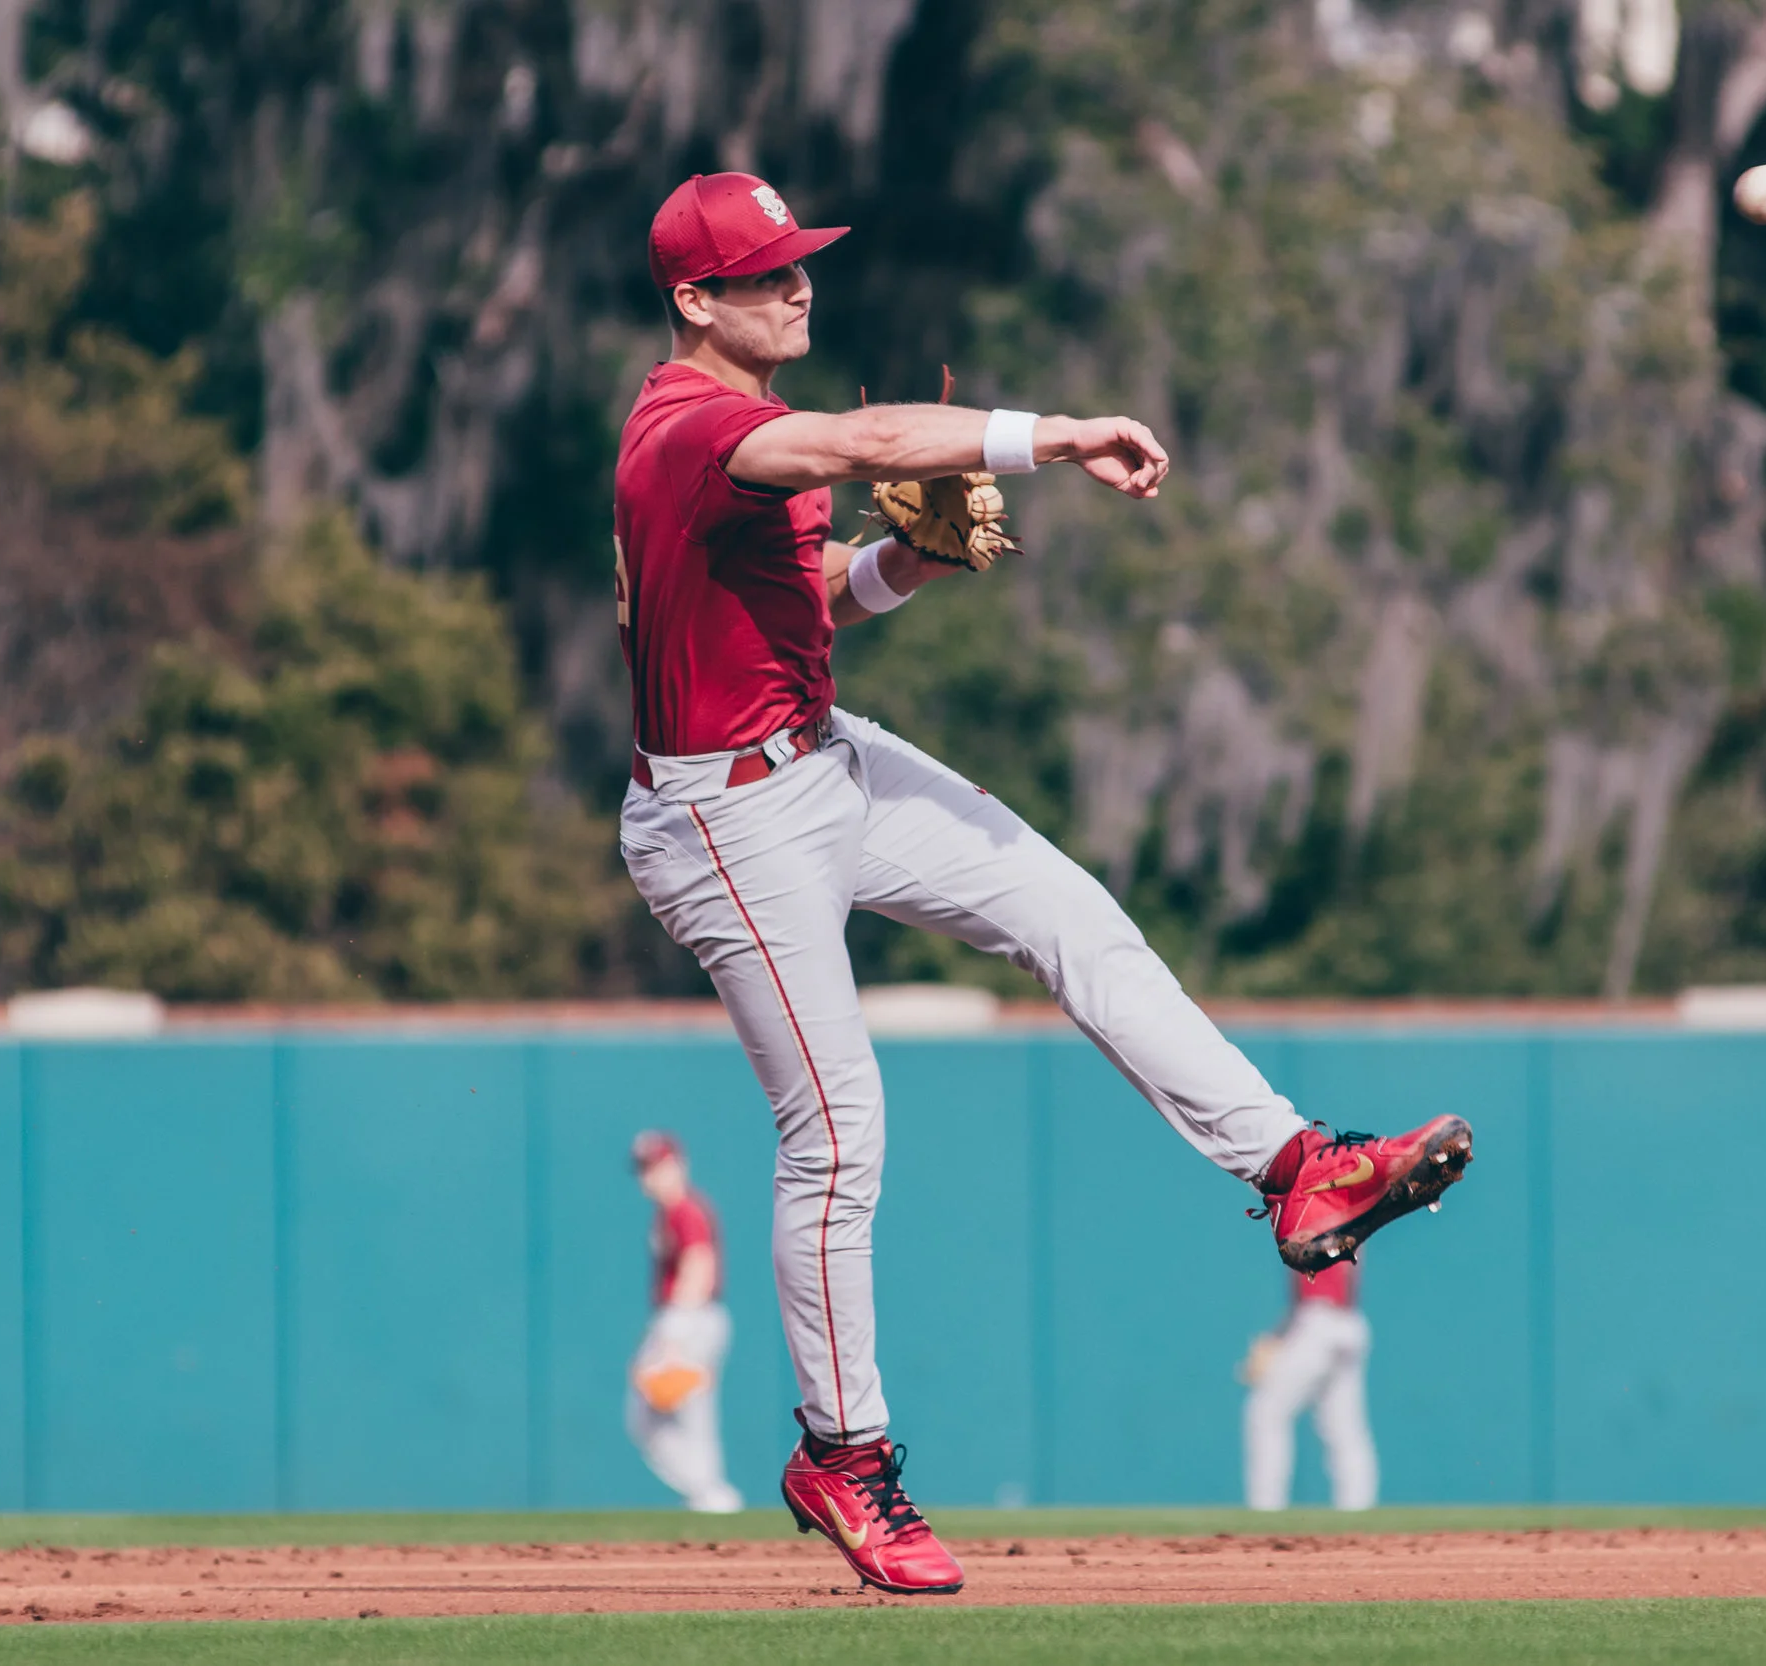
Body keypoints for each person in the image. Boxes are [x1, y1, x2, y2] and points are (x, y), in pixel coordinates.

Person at [613, 170, 1473, 1594]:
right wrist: (1056, 435)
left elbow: (805, 598)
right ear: (695, 299)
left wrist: (911, 562)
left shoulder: (742, 445)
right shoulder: (693, 424)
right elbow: (873, 434)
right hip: (723, 818)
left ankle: (1295, 1165)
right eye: (763, 275)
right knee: (838, 1130)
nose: (797, 288)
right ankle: (844, 1448)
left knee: (1072, 914)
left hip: (819, 759)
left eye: (799, 266)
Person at [626, 1130, 744, 1514]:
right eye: (644, 1168)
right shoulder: (668, 1213)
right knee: (650, 1414)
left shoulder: (686, 1210)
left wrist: (677, 1326)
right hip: (682, 1315)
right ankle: (706, 1490)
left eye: (657, 1165)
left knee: (688, 1411)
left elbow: (699, 1264)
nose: (650, 1175)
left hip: (690, 1315)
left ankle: (711, 1492)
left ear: (678, 1163)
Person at [1241, 1259, 1376, 1512]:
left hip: (1318, 1324)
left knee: (1266, 1412)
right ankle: (1359, 1512)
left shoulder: (1305, 1220)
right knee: (1343, 1426)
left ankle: (1265, 1509)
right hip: (1346, 1322)